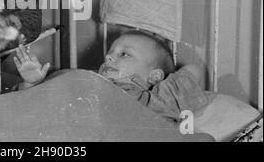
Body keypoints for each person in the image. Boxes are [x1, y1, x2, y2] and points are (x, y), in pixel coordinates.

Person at [13, 30, 209, 123]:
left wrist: (163, 82)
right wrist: (33, 83)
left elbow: (194, 71)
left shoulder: (157, 99)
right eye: (110, 53)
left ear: (155, 76)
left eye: (124, 54)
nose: (108, 56)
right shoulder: (84, 81)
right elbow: (36, 106)